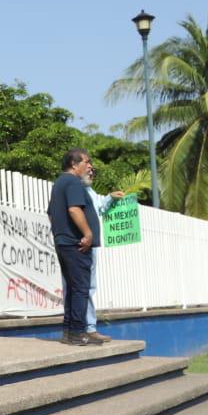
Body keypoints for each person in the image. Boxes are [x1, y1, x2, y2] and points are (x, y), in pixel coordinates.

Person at [49, 148, 104, 346]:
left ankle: (68, 331)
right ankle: (77, 332)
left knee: (72, 288)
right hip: (76, 244)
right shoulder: (73, 182)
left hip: (64, 242)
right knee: (80, 288)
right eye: (86, 162)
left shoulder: (59, 183)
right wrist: (87, 234)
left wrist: (60, 233)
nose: (90, 166)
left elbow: (51, 214)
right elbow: (74, 209)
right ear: (74, 164)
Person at [83, 165, 124, 344]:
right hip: (80, 245)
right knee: (80, 287)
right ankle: (84, 328)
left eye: (93, 170)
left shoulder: (90, 191)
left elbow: (99, 207)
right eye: (88, 168)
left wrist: (111, 198)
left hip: (90, 245)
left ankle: (88, 327)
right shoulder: (72, 189)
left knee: (89, 287)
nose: (92, 172)